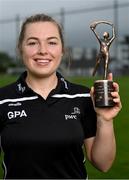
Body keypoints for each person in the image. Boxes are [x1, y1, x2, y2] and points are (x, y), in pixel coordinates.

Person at [0, 14, 122, 179]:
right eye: (32, 42)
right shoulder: (3, 99)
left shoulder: (84, 96)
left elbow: (103, 164)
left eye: (51, 42)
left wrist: (105, 120)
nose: (43, 50)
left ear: (62, 50)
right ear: (20, 49)